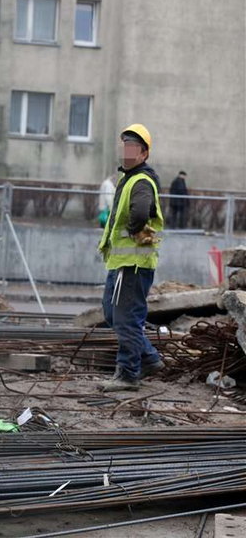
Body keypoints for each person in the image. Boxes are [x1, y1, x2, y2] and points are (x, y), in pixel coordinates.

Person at [96, 123, 165, 392]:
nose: (127, 151)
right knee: (112, 312)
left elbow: (139, 214)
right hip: (123, 263)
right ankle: (148, 358)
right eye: (125, 145)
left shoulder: (141, 181)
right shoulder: (129, 179)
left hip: (133, 264)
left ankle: (127, 374)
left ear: (144, 154)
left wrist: (133, 230)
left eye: (132, 147)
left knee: (126, 317)